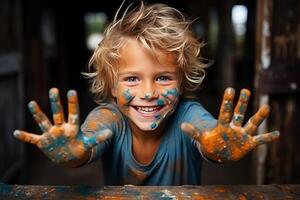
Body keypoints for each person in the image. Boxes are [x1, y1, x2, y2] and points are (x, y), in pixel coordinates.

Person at [14, 2, 280, 185]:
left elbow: (208, 134)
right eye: (131, 79)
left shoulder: (189, 114)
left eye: (163, 78)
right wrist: (74, 152)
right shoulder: (109, 117)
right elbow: (87, 144)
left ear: (182, 81)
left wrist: (217, 146)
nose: (149, 92)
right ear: (112, 86)